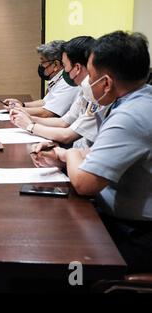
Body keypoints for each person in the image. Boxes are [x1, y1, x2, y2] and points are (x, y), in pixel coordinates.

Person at [31, 31, 152, 273]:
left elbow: (85, 183)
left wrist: (71, 155)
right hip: (120, 222)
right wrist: (63, 155)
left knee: (50, 250)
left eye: (91, 76)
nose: (86, 84)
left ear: (106, 82)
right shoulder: (134, 101)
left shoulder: (130, 116)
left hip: (135, 237)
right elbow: (97, 154)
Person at [10, 36, 99, 149]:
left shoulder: (97, 96)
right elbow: (63, 122)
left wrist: (30, 125)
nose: (64, 71)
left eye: (65, 66)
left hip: (79, 158)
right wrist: (29, 118)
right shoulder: (83, 91)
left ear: (77, 68)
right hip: (75, 153)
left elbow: (67, 135)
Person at [3, 40, 80, 118]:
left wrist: (18, 109)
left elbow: (48, 113)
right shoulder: (58, 79)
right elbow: (46, 102)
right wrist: (22, 104)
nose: (41, 66)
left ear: (56, 64)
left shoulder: (68, 82)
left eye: (43, 62)